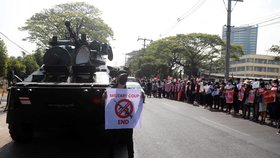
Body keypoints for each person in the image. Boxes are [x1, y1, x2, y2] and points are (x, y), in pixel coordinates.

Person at [106, 70, 134, 158]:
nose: (123, 79)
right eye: (122, 77)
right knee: (112, 141)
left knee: (129, 141)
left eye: (125, 78)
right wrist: (104, 96)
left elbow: (133, 105)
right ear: (118, 78)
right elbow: (106, 103)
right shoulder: (111, 90)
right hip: (115, 120)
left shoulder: (130, 92)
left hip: (126, 121)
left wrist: (139, 97)